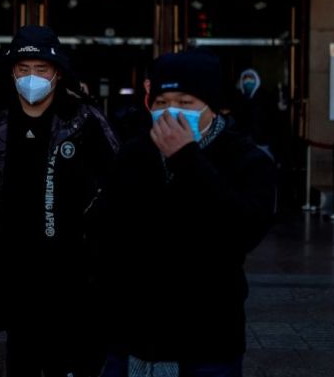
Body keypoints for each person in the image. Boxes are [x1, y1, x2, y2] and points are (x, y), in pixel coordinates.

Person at [100, 49, 276, 377]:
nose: (171, 113)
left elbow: (242, 229)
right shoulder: (133, 154)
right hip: (133, 336)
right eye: (163, 102)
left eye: (186, 102)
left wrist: (187, 158)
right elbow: (107, 235)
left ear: (215, 107)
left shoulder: (247, 160)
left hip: (207, 340)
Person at [0, 25, 119, 377]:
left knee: (65, 356)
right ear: (12, 72)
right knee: (21, 353)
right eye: (23, 69)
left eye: (41, 69)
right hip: (12, 262)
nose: (32, 77)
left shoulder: (83, 119)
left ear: (57, 73)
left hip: (70, 263)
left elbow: (117, 180)